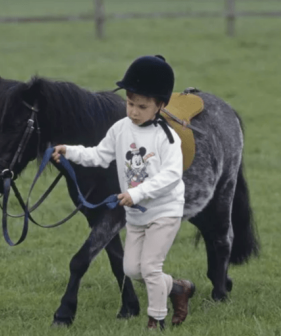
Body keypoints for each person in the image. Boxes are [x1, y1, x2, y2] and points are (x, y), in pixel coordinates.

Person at [52, 55, 195, 331]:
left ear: (160, 106)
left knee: (151, 268)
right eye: (130, 104)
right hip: (136, 216)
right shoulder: (120, 129)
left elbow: (171, 176)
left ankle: (157, 320)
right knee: (133, 270)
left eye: (142, 107)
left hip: (165, 211)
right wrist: (69, 150)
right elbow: (98, 155)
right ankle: (178, 288)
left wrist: (137, 194)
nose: (134, 111)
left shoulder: (167, 138)